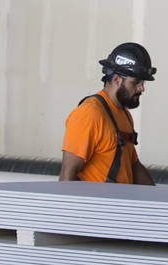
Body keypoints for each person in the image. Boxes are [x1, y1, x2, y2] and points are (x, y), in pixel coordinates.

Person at [59, 42, 156, 185]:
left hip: (118, 205)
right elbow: (67, 176)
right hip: (96, 206)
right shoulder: (90, 114)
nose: (141, 88)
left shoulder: (124, 115)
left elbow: (134, 166)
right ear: (116, 79)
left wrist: (156, 197)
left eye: (142, 82)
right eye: (135, 82)